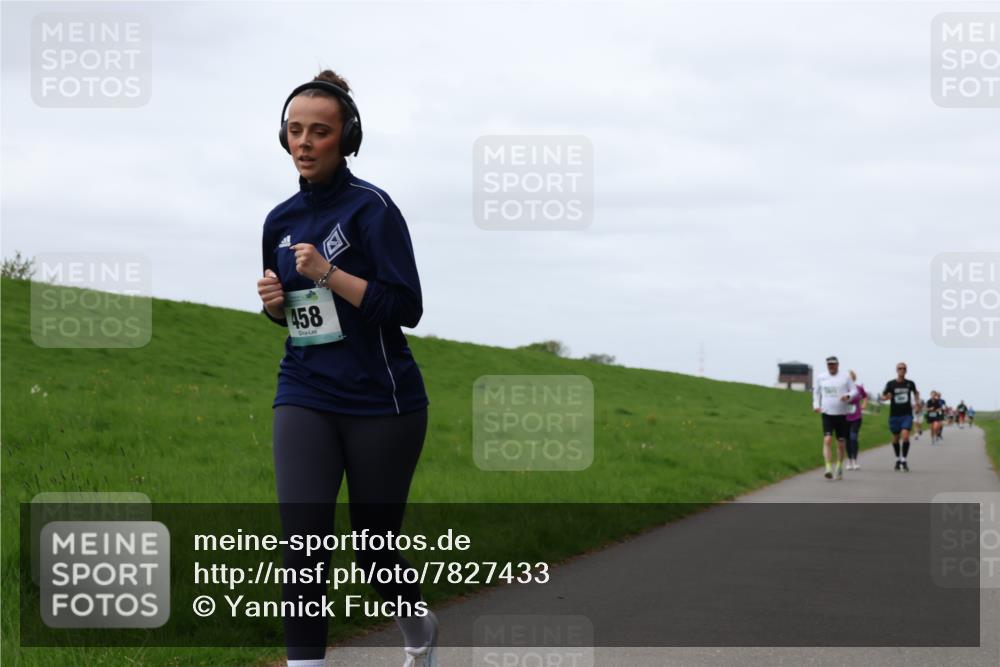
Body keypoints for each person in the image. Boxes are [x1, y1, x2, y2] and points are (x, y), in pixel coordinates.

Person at [257, 70, 437, 667]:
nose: (304, 142)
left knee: (373, 548)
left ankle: (419, 630)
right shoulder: (278, 221)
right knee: (303, 540)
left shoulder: (373, 210)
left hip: (381, 402)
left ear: (347, 138)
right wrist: (276, 308)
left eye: (319, 132)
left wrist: (329, 273)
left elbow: (405, 308)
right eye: (294, 131)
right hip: (304, 389)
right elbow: (299, 316)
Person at [812, 356, 858, 480]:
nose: (831, 366)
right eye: (829, 364)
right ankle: (827, 467)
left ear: (838, 364)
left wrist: (848, 396)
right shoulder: (821, 377)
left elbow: (855, 391)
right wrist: (816, 405)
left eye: (833, 364)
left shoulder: (845, 377)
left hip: (841, 414)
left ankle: (839, 466)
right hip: (827, 413)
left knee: (841, 444)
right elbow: (816, 392)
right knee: (827, 440)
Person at [880, 362, 919, 472]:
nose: (901, 370)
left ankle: (904, 460)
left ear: (906, 370)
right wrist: (886, 397)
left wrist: (917, 403)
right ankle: (897, 459)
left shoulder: (910, 383)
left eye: (903, 368)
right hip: (894, 415)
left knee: (905, 436)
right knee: (895, 439)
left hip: (906, 414)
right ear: (896, 370)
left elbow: (916, 393)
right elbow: (883, 396)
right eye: (899, 368)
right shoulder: (891, 384)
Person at [844, 370, 867, 470]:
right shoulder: (843, 389)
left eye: (851, 377)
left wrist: (864, 404)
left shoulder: (859, 388)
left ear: (854, 378)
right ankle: (849, 461)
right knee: (847, 439)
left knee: (853, 437)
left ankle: (855, 461)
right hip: (845, 417)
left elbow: (865, 396)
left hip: (856, 417)